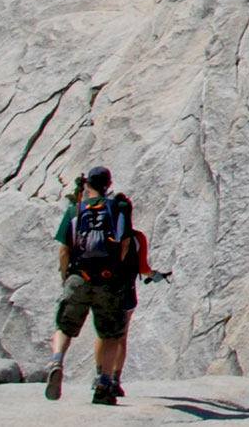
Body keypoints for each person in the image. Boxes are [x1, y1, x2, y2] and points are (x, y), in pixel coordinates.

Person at [45, 166, 145, 405]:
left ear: (87, 184)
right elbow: (124, 244)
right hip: (108, 279)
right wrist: (116, 271)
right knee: (110, 334)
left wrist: (66, 277)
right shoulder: (118, 209)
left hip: (79, 276)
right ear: (108, 185)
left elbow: (63, 250)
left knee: (64, 327)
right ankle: (103, 385)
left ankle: (57, 360)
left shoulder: (74, 211)